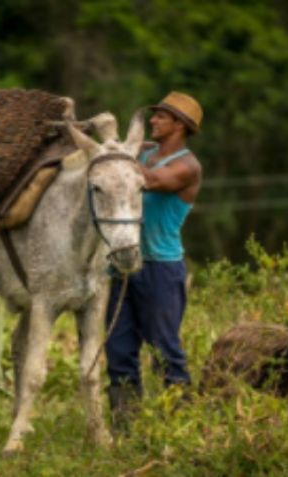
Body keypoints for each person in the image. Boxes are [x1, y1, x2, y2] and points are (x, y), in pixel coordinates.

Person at [105, 91, 203, 428]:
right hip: (123, 265)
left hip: (160, 268)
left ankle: (181, 427)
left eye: (161, 116)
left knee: (165, 352)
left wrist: (112, 160)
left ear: (179, 124)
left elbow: (148, 180)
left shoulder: (187, 167)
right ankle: (126, 429)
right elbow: (117, 152)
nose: (153, 121)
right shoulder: (144, 152)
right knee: (118, 352)